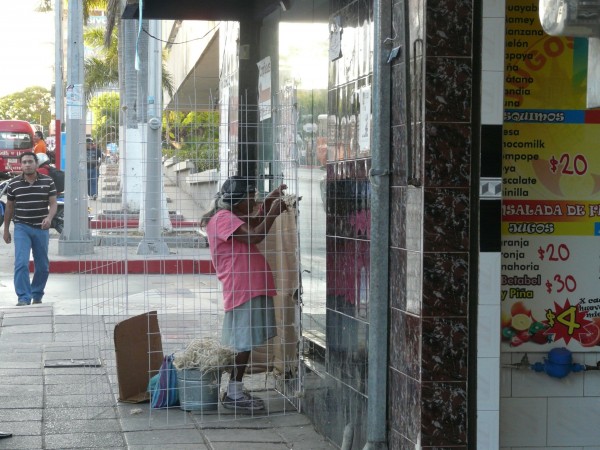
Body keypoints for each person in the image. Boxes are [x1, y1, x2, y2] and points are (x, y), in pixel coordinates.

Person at [201, 176, 287, 411]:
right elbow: (255, 235)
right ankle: (233, 393)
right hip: (242, 287)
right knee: (242, 342)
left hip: (249, 286)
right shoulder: (222, 219)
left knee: (245, 341)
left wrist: (269, 202)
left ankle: (235, 390)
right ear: (238, 201)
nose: (254, 201)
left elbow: (254, 223)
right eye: (251, 198)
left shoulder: (231, 217)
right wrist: (272, 213)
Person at [3, 152, 57, 306]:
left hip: (41, 228)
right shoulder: (13, 184)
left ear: (36, 163)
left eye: (30, 162)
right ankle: (23, 297)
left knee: (42, 266)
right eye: (24, 162)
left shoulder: (48, 182)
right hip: (22, 227)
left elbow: (53, 204)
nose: (27, 165)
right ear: (21, 165)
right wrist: (6, 230)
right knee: (21, 263)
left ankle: (37, 293)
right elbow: (9, 207)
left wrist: (49, 218)